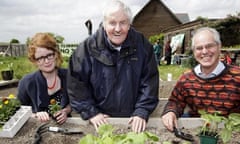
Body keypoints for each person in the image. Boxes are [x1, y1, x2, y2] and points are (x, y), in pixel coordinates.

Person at [67, 0, 159, 133]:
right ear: (104, 24)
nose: (117, 29)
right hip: (100, 120)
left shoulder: (143, 46)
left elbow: (150, 82)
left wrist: (141, 111)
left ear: (129, 24)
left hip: (132, 120)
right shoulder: (86, 49)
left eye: (123, 23)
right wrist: (91, 112)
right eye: (112, 23)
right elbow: (76, 85)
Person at [161, 27, 240, 132]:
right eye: (199, 48)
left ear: (219, 47)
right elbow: (175, 102)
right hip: (198, 132)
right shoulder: (187, 79)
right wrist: (170, 112)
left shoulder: (237, 76)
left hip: (231, 133)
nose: (204, 51)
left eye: (209, 46)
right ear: (194, 52)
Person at [17, 33, 71, 124]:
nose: (46, 61)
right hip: (36, 128)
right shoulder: (27, 82)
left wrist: (66, 111)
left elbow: (74, 101)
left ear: (56, 54)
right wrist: (35, 115)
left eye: (49, 55)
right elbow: (19, 110)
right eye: (40, 58)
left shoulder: (68, 76)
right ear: (34, 60)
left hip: (65, 126)